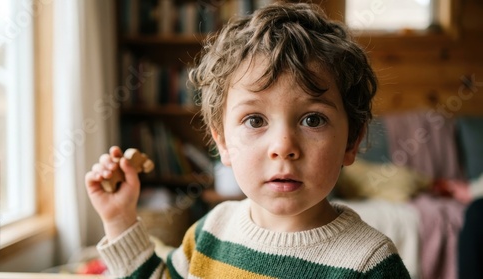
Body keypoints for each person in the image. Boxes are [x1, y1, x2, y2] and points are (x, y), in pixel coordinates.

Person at [85, 2, 410, 278]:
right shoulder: (210, 231)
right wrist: (119, 219)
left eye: (313, 119)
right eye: (255, 120)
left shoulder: (371, 263)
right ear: (223, 142)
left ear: (351, 141)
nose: (283, 146)